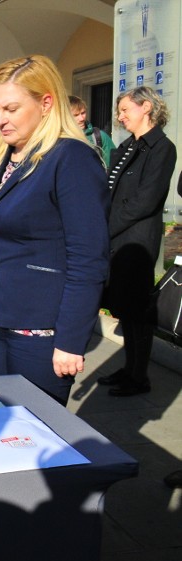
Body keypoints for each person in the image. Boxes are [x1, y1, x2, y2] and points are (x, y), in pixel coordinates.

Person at [0, 55, 110, 406]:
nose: (1, 119)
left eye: (11, 108)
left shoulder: (72, 159)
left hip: (40, 332)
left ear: (46, 103)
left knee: (35, 441)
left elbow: (88, 259)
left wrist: (70, 340)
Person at [99, 86, 177, 396]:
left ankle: (138, 377)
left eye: (125, 110)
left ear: (146, 107)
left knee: (137, 309)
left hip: (137, 241)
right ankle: (129, 369)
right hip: (119, 237)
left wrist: (106, 229)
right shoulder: (128, 146)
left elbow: (145, 200)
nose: (119, 116)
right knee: (125, 308)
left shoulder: (161, 148)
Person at [69, 95, 115, 168]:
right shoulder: (57, 138)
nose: (81, 118)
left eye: (83, 113)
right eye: (76, 115)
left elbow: (113, 166)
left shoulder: (99, 136)